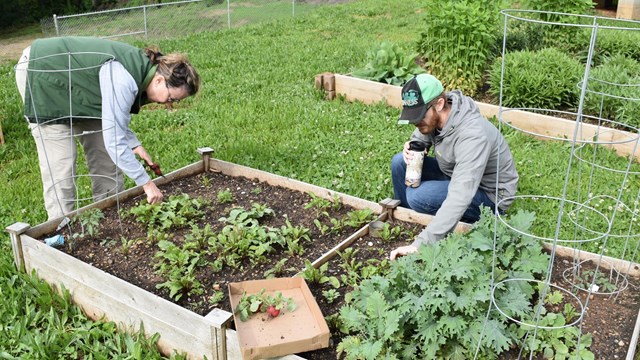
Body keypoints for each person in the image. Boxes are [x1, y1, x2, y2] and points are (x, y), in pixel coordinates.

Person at [15, 36, 200, 220]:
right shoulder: (124, 80)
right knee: (61, 163)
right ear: (159, 80)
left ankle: (108, 217)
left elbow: (114, 118)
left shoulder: (143, 74)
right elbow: (115, 141)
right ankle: (59, 229)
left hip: (80, 86)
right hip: (44, 73)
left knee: (104, 155)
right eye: (170, 98)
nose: (168, 104)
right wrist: (146, 183)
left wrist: (135, 145)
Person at [389, 74, 518, 260]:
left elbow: (461, 194)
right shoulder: (435, 117)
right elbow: (421, 135)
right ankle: (410, 220)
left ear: (440, 104)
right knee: (400, 163)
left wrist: (422, 245)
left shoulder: (472, 135)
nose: (415, 122)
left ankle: (426, 233)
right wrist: (414, 146)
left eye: (419, 116)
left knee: (418, 196)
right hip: (456, 173)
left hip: (489, 195)